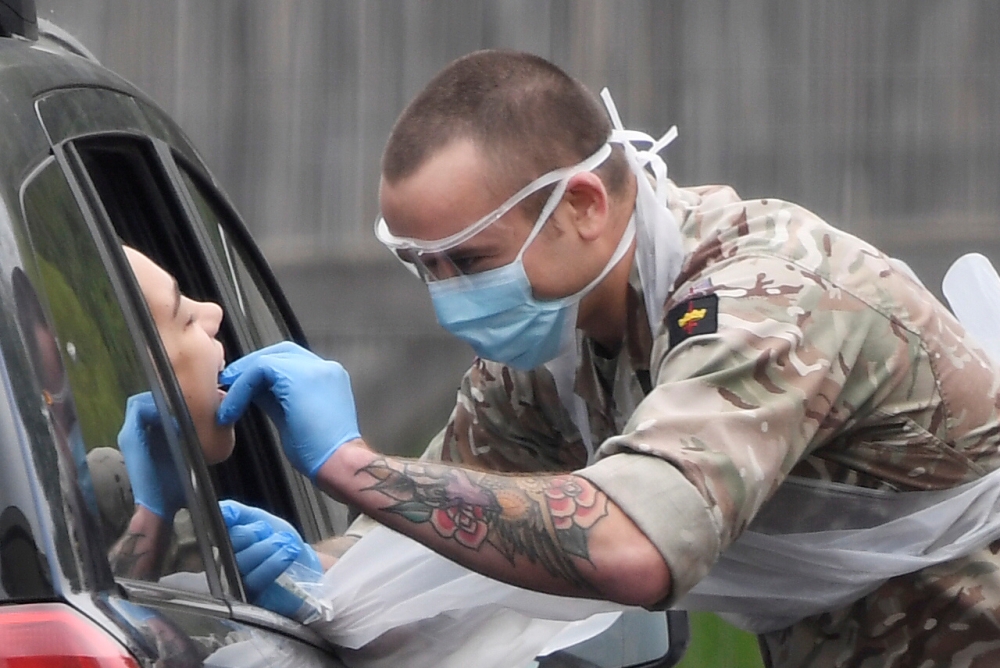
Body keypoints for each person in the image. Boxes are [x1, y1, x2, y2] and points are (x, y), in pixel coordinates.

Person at [217, 50, 1000, 667]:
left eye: (467, 259)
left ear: (585, 206)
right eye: (423, 266)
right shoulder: (551, 348)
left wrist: (352, 465)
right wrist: (289, 569)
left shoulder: (766, 300)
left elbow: (633, 547)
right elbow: (434, 524)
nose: (447, 293)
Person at [109, 248, 326, 608]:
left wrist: (152, 522)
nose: (215, 312)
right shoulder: (98, 499)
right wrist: (347, 463)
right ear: (142, 376)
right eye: (185, 319)